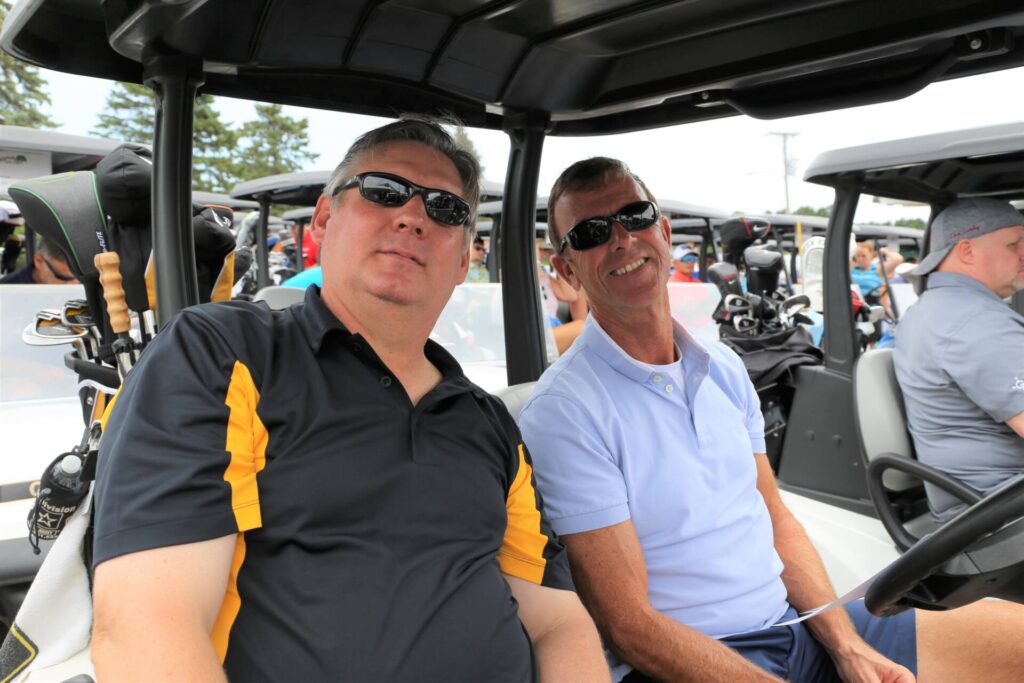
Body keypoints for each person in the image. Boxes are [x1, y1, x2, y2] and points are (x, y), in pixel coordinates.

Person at [90, 118, 607, 682]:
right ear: (323, 219)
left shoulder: (486, 420)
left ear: (463, 261)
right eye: (383, 190)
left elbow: (558, 622)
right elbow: (145, 631)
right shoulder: (225, 355)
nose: (412, 216)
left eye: (445, 209)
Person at [519, 156, 1024, 682]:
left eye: (635, 215)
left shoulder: (724, 367)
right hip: (693, 660)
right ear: (567, 270)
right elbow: (630, 626)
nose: (622, 239)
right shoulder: (565, 411)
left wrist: (847, 645)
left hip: (794, 628)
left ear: (662, 232)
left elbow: (775, 517)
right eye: (592, 233)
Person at [894, 197, 1024, 522]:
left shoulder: (933, 309)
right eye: (1014, 245)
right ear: (967, 251)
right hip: (999, 507)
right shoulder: (975, 321)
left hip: (987, 499)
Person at [0, 235, 78, 284]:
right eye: (64, 278)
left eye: (80, 277)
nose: (75, 284)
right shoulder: (5, 292)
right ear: (39, 261)